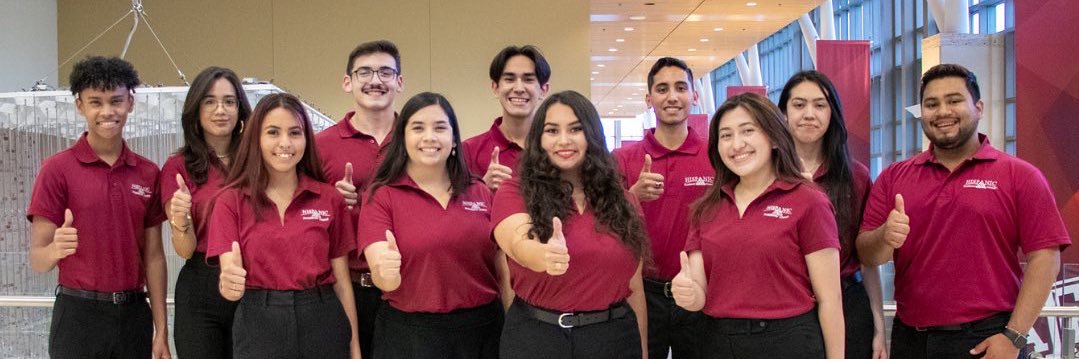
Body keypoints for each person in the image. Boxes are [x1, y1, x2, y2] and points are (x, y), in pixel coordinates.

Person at [857, 63, 1070, 359]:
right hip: (911, 339)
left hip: (987, 338)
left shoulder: (1020, 176)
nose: (942, 111)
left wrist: (1014, 336)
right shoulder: (894, 177)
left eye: (954, 100)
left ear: (978, 107)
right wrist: (885, 235)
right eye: (931, 104)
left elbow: (1045, 259)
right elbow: (869, 255)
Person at [672, 93, 844, 358]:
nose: (736, 144)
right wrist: (687, 294)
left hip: (787, 341)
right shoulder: (706, 207)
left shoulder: (808, 201)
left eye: (748, 131)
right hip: (717, 341)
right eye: (726, 136)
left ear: (774, 137)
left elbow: (830, 300)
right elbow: (699, 294)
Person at [27, 56, 171, 358]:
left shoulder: (147, 173)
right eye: (96, 102)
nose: (107, 112)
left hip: (134, 315)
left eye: (116, 101)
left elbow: (154, 256)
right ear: (80, 105)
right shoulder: (57, 170)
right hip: (78, 317)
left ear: (130, 103)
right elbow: (38, 259)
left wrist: (161, 330)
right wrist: (55, 249)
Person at [492, 91, 649, 359]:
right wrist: (544, 256)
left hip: (613, 337)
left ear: (591, 135)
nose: (564, 140)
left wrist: (644, 351)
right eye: (552, 131)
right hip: (538, 337)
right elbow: (517, 243)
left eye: (575, 129)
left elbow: (634, 286)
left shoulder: (624, 200)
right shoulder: (515, 191)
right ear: (539, 139)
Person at [208, 93, 361, 358]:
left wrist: (355, 347)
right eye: (273, 132)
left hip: (322, 319)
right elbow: (229, 273)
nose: (285, 143)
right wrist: (228, 285)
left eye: (294, 132)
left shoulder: (329, 199)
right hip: (259, 323)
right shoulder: (230, 201)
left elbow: (343, 283)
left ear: (306, 139)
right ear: (256, 138)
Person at [359, 92, 506, 358]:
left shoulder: (480, 192)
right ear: (403, 139)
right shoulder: (381, 196)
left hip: (483, 331)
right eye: (418, 128)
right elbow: (382, 273)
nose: (429, 137)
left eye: (440, 127)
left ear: (453, 140)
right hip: (410, 335)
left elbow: (502, 267)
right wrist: (386, 271)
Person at [778, 70, 886, 359]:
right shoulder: (766, 176)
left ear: (832, 114)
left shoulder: (857, 178)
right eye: (799, 105)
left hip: (847, 305)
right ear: (784, 113)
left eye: (820, 105)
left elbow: (867, 262)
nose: (809, 114)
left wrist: (879, 327)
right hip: (786, 309)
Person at [611, 56, 710, 359]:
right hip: (642, 292)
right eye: (662, 88)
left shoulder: (715, 156)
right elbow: (603, 223)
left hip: (699, 290)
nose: (672, 97)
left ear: (694, 95)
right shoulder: (623, 158)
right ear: (648, 98)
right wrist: (632, 195)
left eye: (681, 87)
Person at [315, 39, 404, 358]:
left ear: (399, 82)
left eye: (385, 72)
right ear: (347, 81)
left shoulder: (418, 141)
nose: (375, 80)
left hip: (406, 287)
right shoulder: (320, 146)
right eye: (364, 72)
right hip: (344, 287)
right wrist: (330, 202)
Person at [159, 66, 251, 359]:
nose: (220, 110)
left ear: (240, 109)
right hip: (200, 288)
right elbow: (184, 250)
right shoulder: (177, 167)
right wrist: (180, 219)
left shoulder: (259, 162)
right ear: (196, 110)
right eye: (209, 101)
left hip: (254, 283)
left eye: (229, 101)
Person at [462, 45, 551, 191]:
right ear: (495, 87)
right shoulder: (468, 151)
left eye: (528, 80)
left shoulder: (555, 148)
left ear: (543, 90)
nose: (519, 88)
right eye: (509, 79)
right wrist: (481, 189)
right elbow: (455, 210)